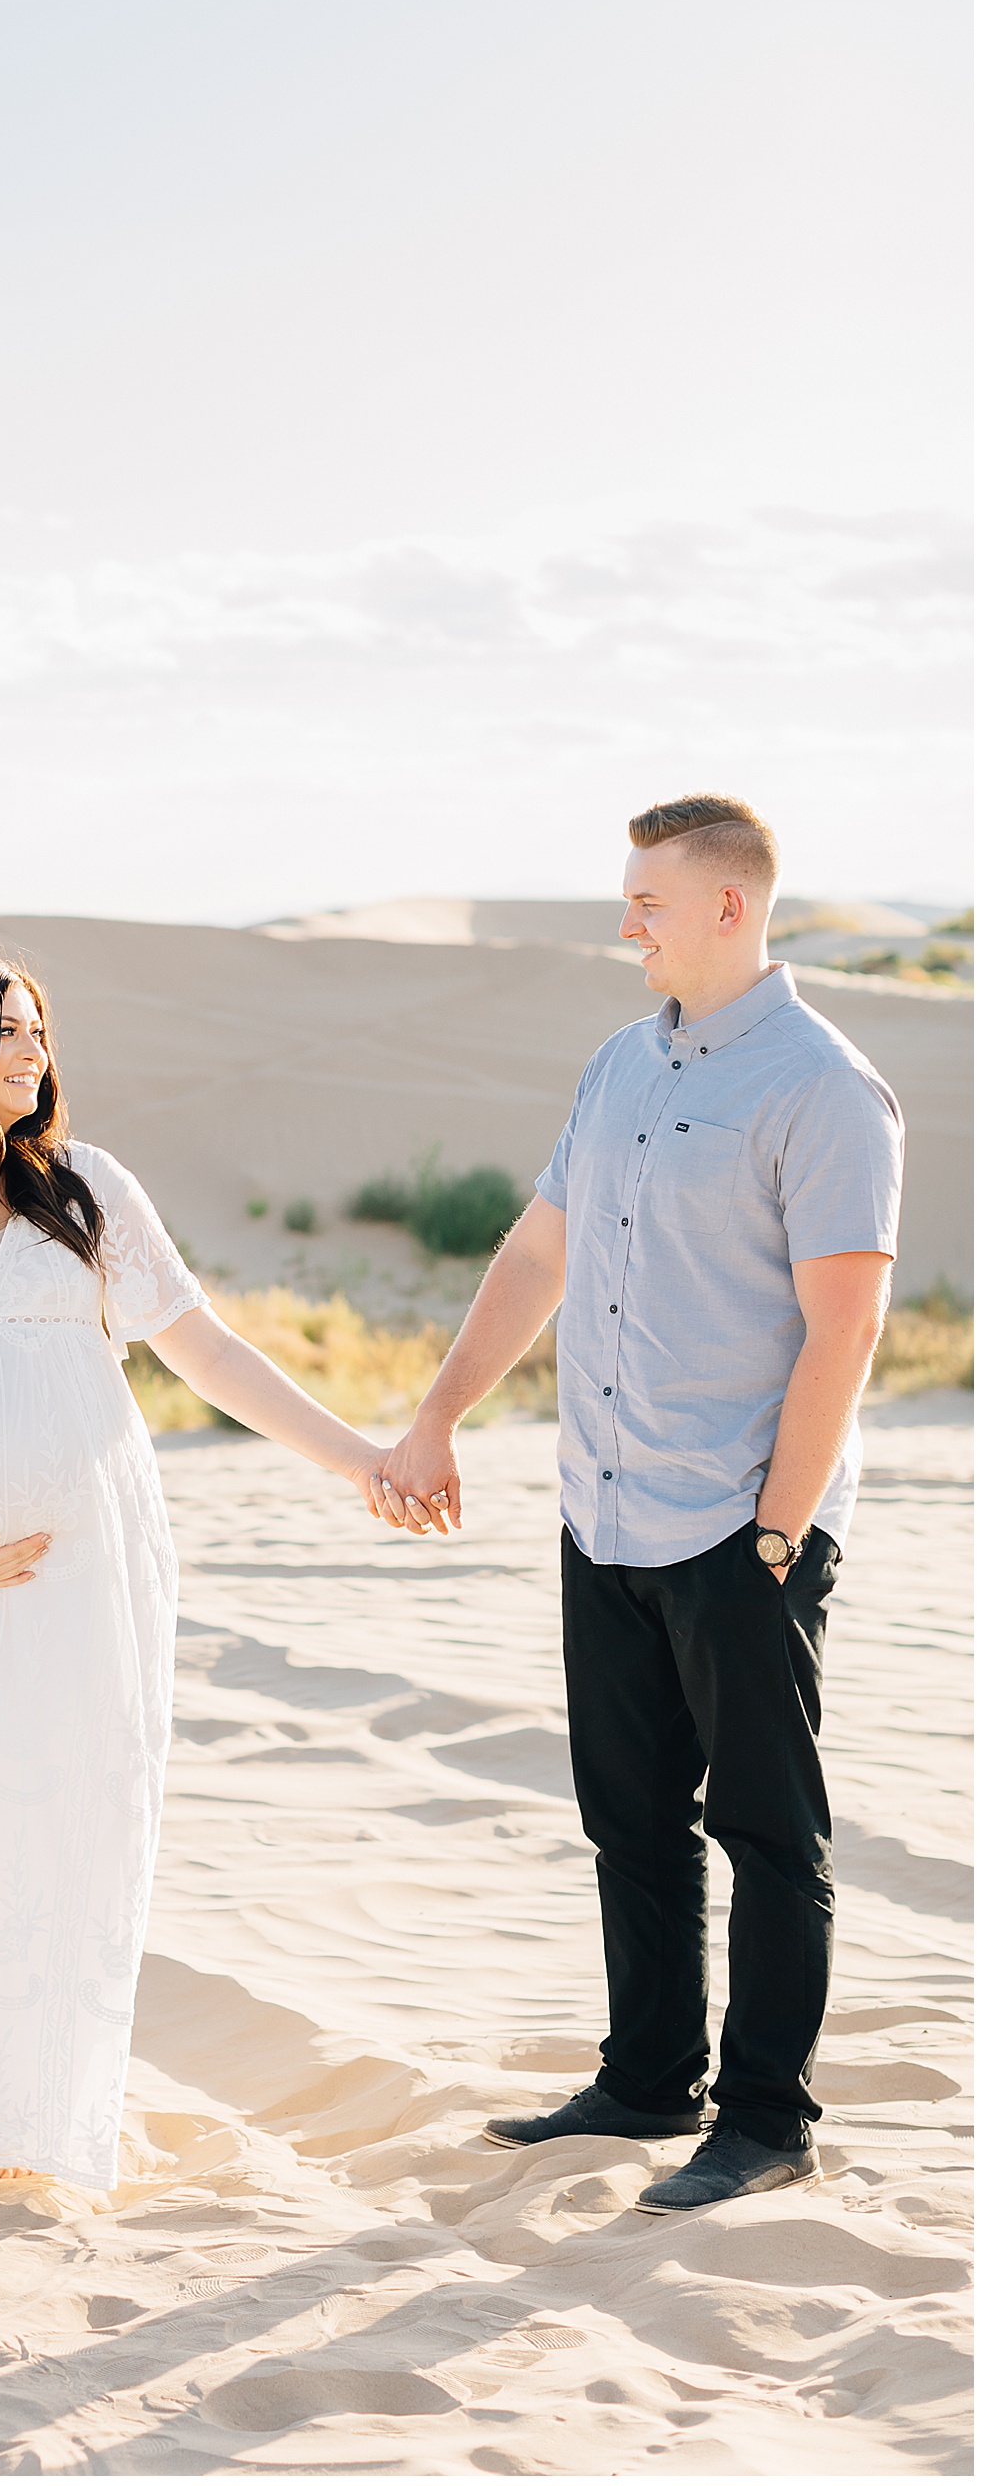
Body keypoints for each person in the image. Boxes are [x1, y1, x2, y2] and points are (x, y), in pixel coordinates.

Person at [0, 954, 399, 2190]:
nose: (34, 1053)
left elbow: (207, 1353)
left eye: (40, 1031)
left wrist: (359, 1456)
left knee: (63, 1810)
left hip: (81, 1570)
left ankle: (43, 2112)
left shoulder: (89, 1191)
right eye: (8, 1031)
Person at [376, 794, 903, 2212]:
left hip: (742, 1521)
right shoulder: (618, 1066)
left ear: (729, 907)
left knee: (769, 1834)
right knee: (632, 1819)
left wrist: (780, 1531)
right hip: (602, 1510)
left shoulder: (824, 1086)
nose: (627, 924)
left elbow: (846, 1331)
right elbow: (536, 1254)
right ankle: (649, 2079)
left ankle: (766, 2119)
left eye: (647, 902)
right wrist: (438, 1415)